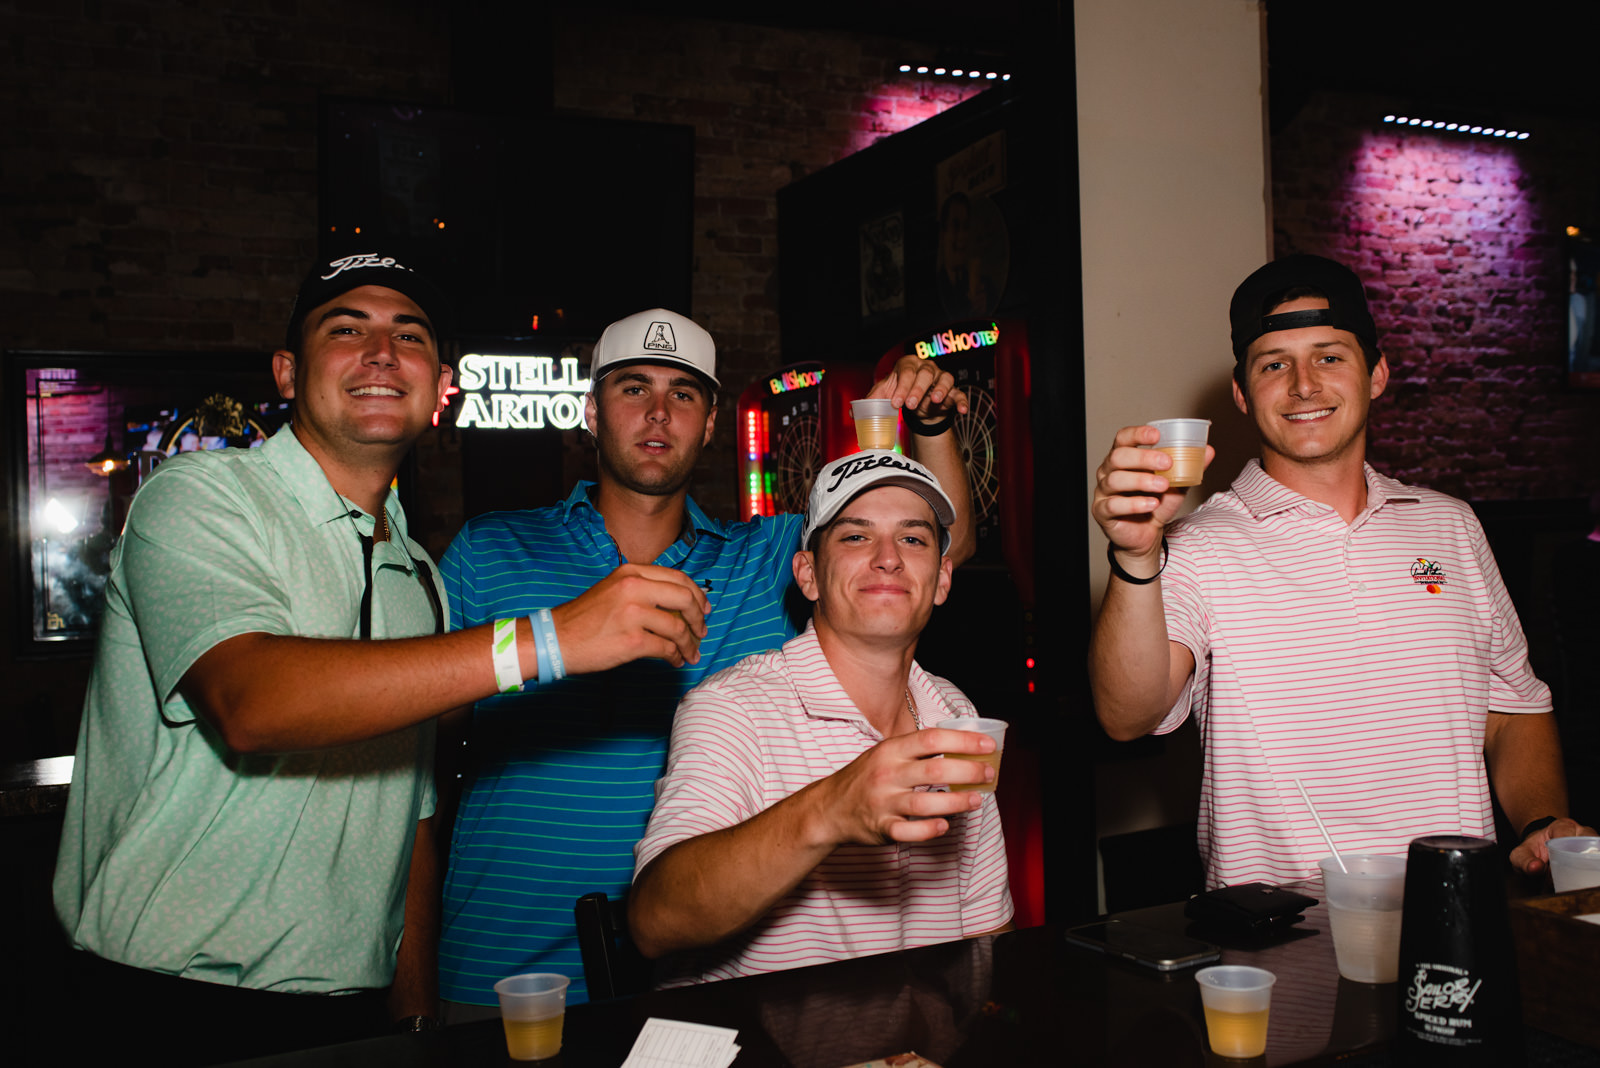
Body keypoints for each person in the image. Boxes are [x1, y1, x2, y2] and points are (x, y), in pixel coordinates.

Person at [49, 254, 707, 1062]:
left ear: (440, 387)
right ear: (287, 372)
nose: (383, 354)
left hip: (353, 1010)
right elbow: (251, 702)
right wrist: (548, 638)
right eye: (346, 329)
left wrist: (416, 1011)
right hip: (169, 998)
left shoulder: (419, 574)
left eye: (410, 336)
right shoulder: (201, 496)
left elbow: (415, 813)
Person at [436, 309, 976, 1009]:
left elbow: (927, 547)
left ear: (712, 423)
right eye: (633, 388)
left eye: (683, 394)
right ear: (591, 412)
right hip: (499, 960)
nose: (659, 412)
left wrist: (931, 421)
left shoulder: (761, 558)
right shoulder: (491, 550)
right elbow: (420, 769)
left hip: (696, 955)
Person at [1088, 253, 1594, 888]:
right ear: (1243, 394)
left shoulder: (1452, 526)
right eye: (1274, 364)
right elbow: (1126, 716)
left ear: (1376, 374)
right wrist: (1136, 558)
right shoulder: (1196, 545)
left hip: (1456, 910)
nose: (1304, 385)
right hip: (1283, 928)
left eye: (1329, 356)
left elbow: (1513, 709)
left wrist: (1542, 821)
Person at [628, 449, 1012, 984]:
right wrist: (832, 809)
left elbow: (987, 934)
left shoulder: (955, 712)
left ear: (942, 579)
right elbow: (655, 921)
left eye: (913, 538)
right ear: (808, 575)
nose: (888, 558)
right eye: (855, 536)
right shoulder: (734, 708)